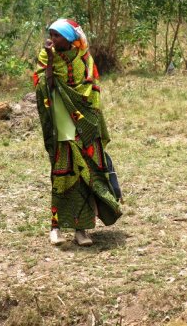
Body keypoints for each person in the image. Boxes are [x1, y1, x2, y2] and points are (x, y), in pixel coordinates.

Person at [33, 18, 122, 246]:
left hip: (82, 127)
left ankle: (81, 231)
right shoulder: (46, 58)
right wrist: (51, 61)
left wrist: (88, 122)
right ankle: (56, 227)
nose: (53, 39)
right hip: (61, 128)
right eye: (51, 34)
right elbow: (46, 87)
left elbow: (92, 91)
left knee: (85, 178)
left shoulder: (84, 58)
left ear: (70, 38)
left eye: (58, 35)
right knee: (61, 175)